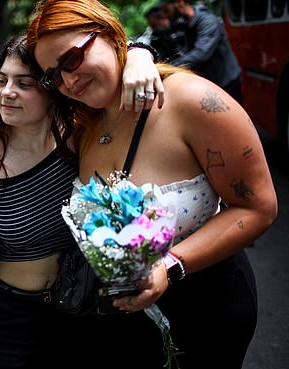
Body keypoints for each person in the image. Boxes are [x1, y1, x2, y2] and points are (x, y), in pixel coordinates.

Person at [27, 1, 278, 368]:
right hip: (124, 327)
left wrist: (171, 266)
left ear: (112, 35)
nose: (68, 81)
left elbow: (258, 207)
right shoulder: (81, 124)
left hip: (207, 311)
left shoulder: (192, 101)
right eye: (53, 76)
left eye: (72, 59)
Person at [0, 33, 164, 368]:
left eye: (25, 83)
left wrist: (139, 55)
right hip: (12, 315)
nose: (7, 92)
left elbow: (107, 55)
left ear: (52, 90)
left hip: (79, 307)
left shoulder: (81, 138)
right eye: (2, 80)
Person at [160, 0, 243, 103]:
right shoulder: (186, 23)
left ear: (180, 2)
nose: (165, 15)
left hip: (226, 82)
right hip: (211, 82)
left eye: (167, 10)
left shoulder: (208, 21)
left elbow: (201, 53)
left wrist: (170, 67)